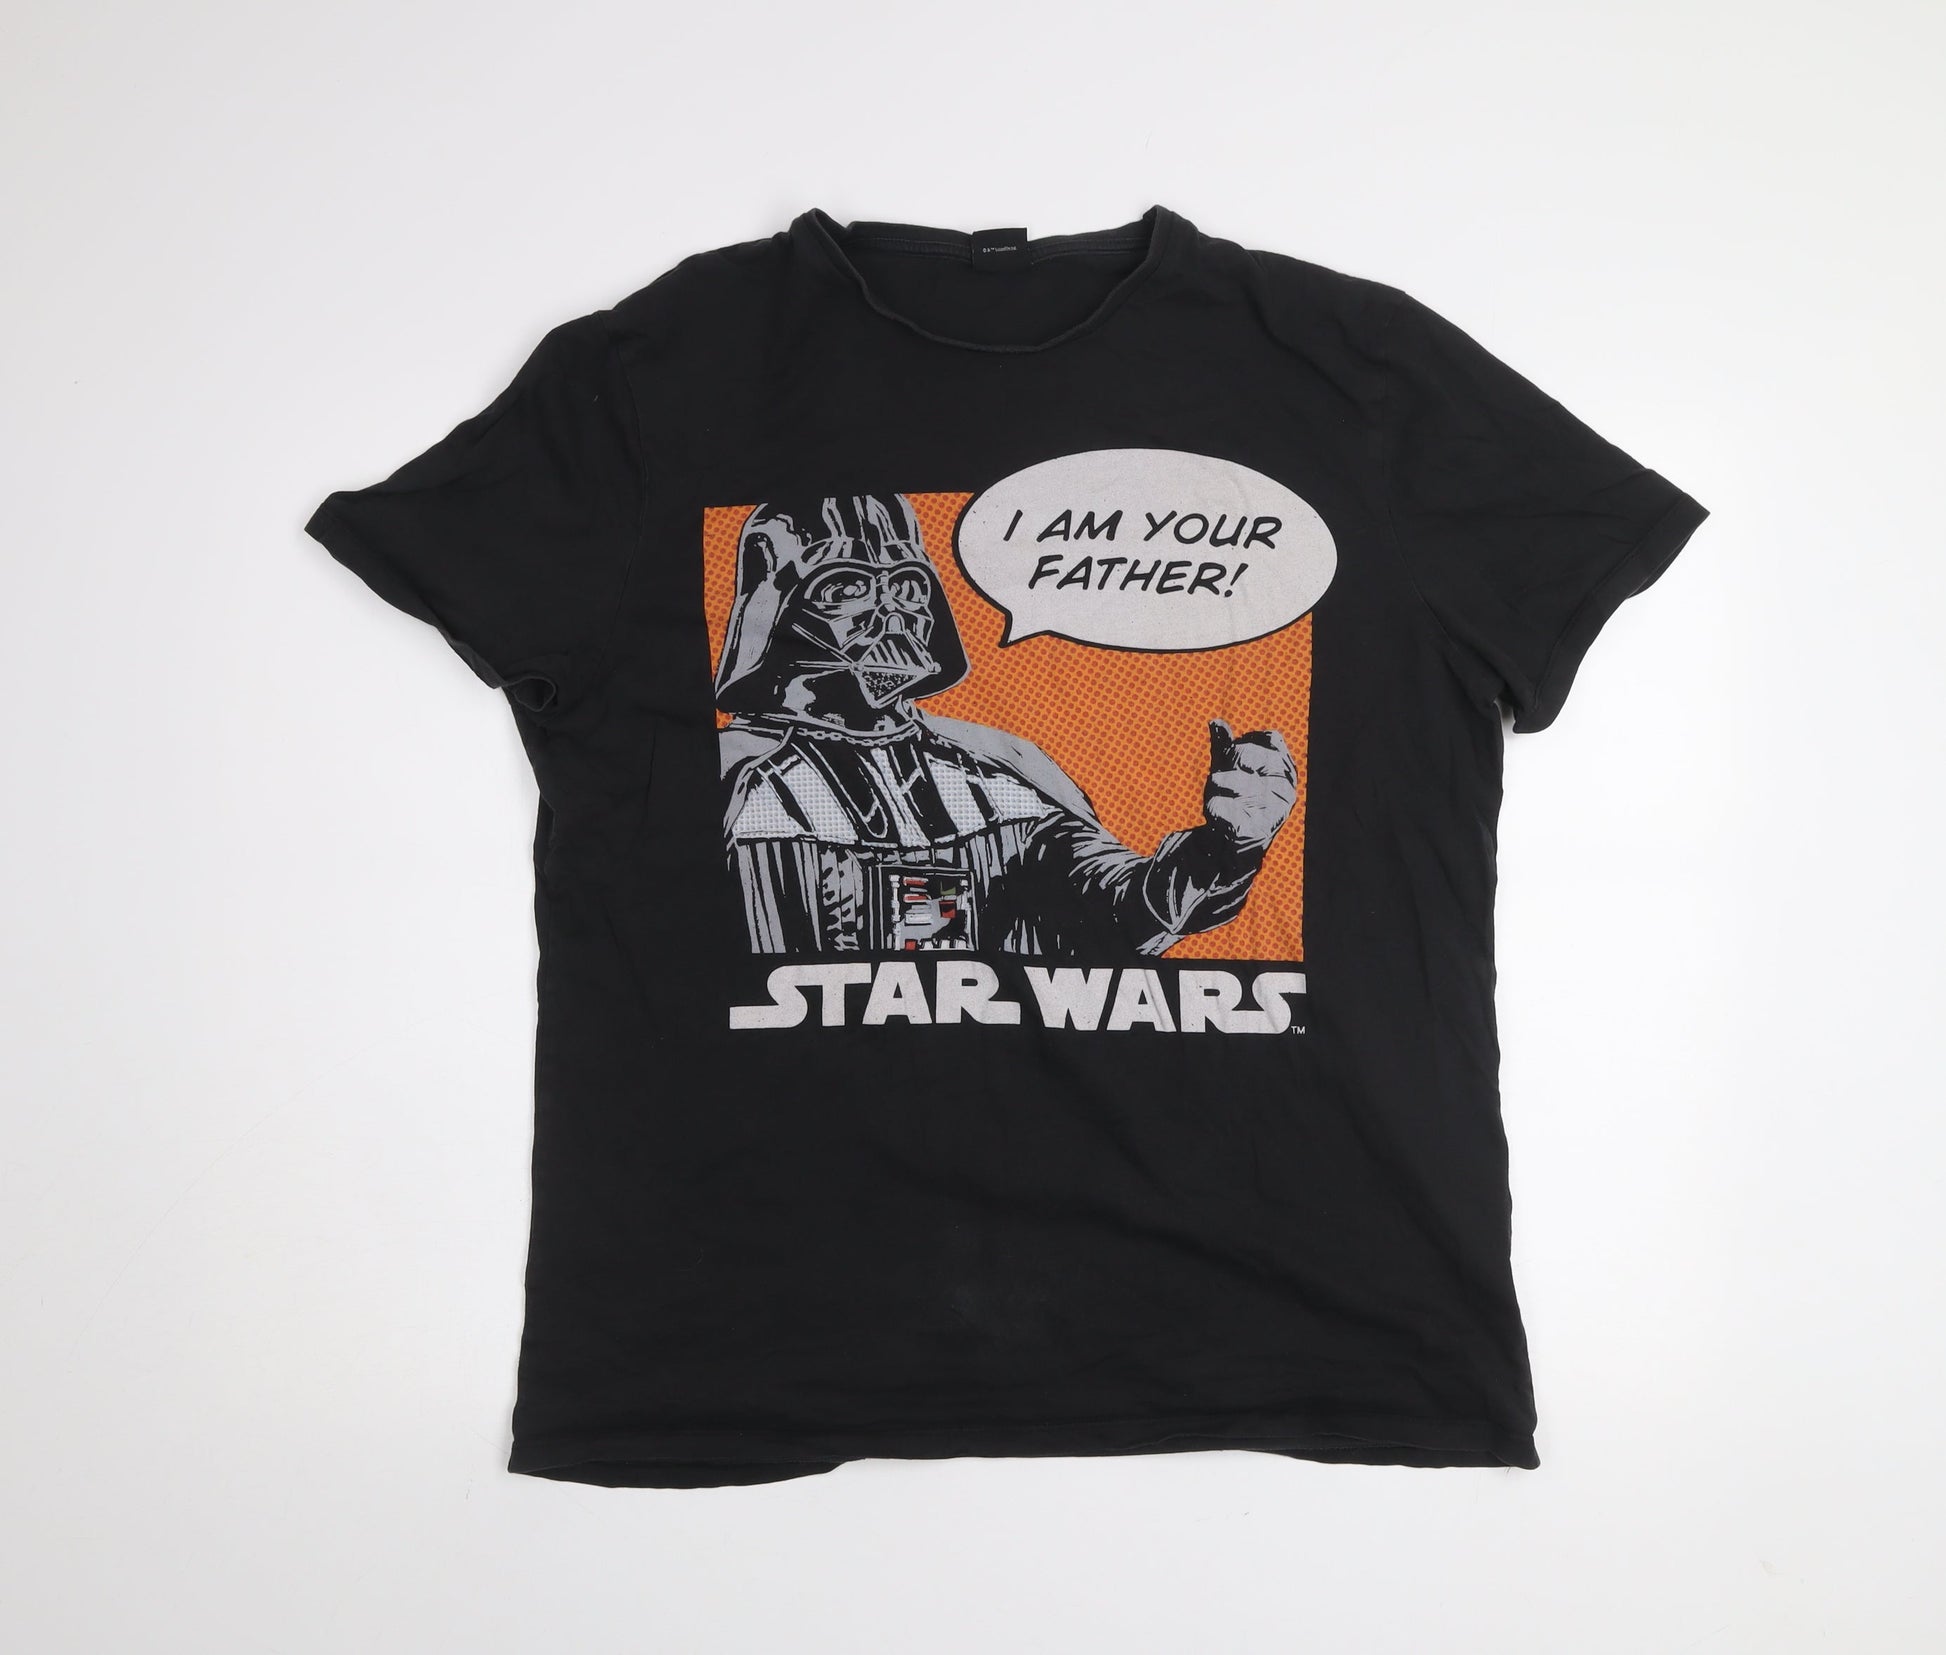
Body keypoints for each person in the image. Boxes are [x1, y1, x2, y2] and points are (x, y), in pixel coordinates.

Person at [717, 494, 1296, 956]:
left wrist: (1224, 850)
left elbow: (1120, 916)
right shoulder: (728, 772)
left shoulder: (998, 768)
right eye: (846, 587)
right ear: (777, 613)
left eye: (907, 587)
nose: (891, 614)